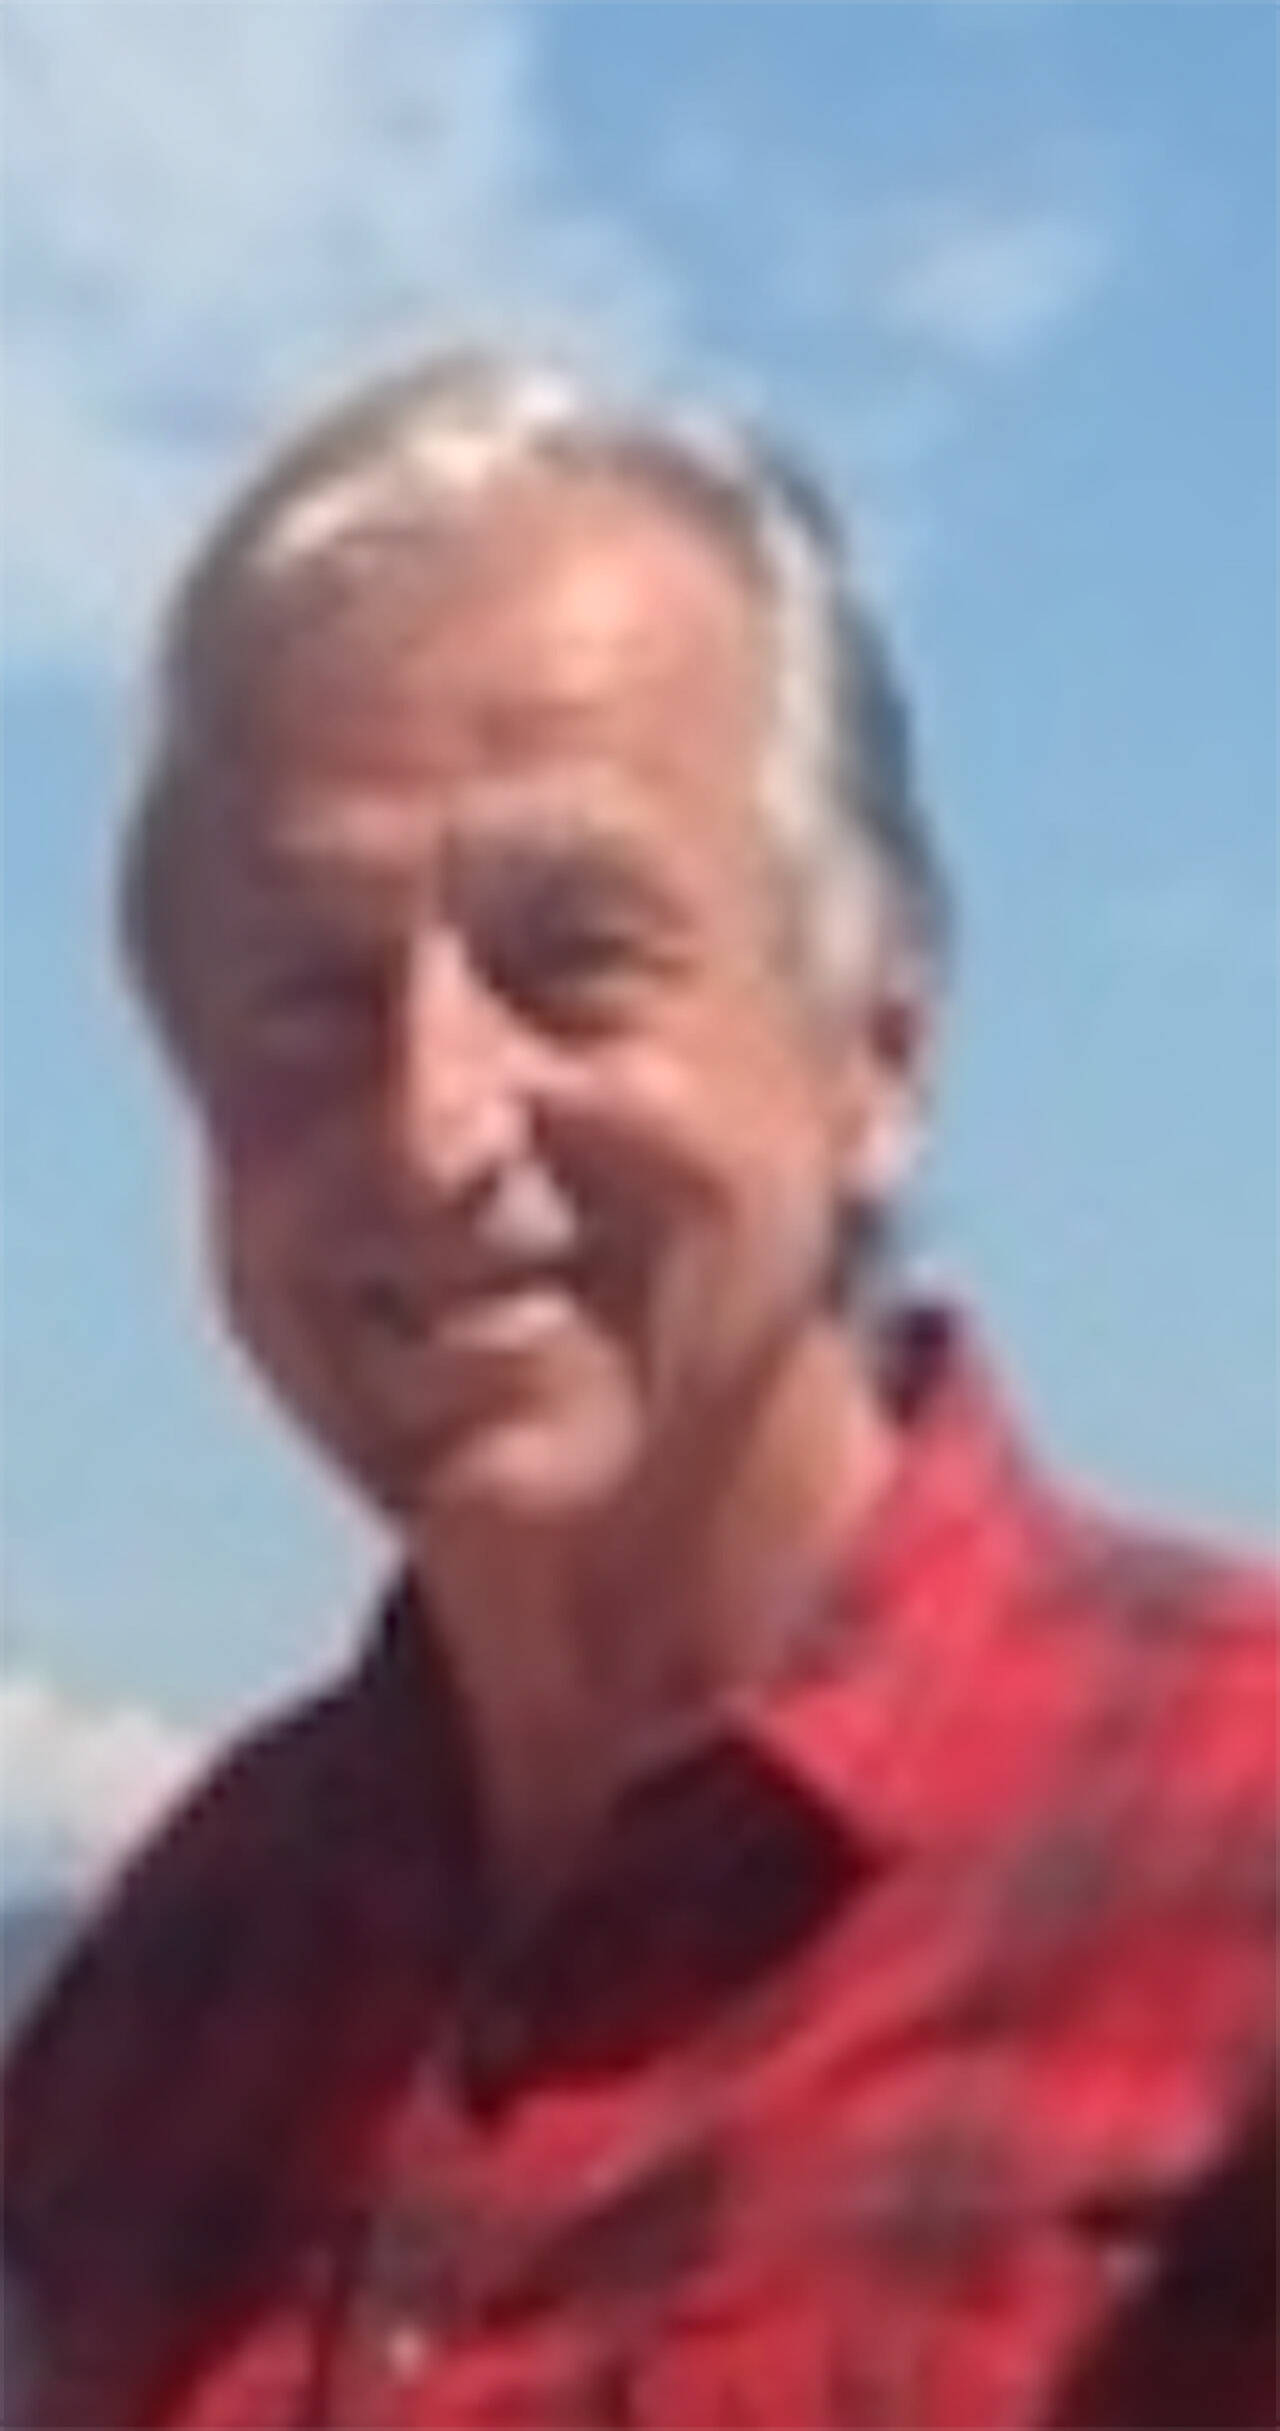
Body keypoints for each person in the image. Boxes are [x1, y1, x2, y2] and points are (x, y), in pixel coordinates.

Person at [3, 353, 1275, 2430]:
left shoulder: (1226, 1874)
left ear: (875, 1054)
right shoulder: (174, 1982)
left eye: (573, 955)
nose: (436, 1123)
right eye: (311, 995)